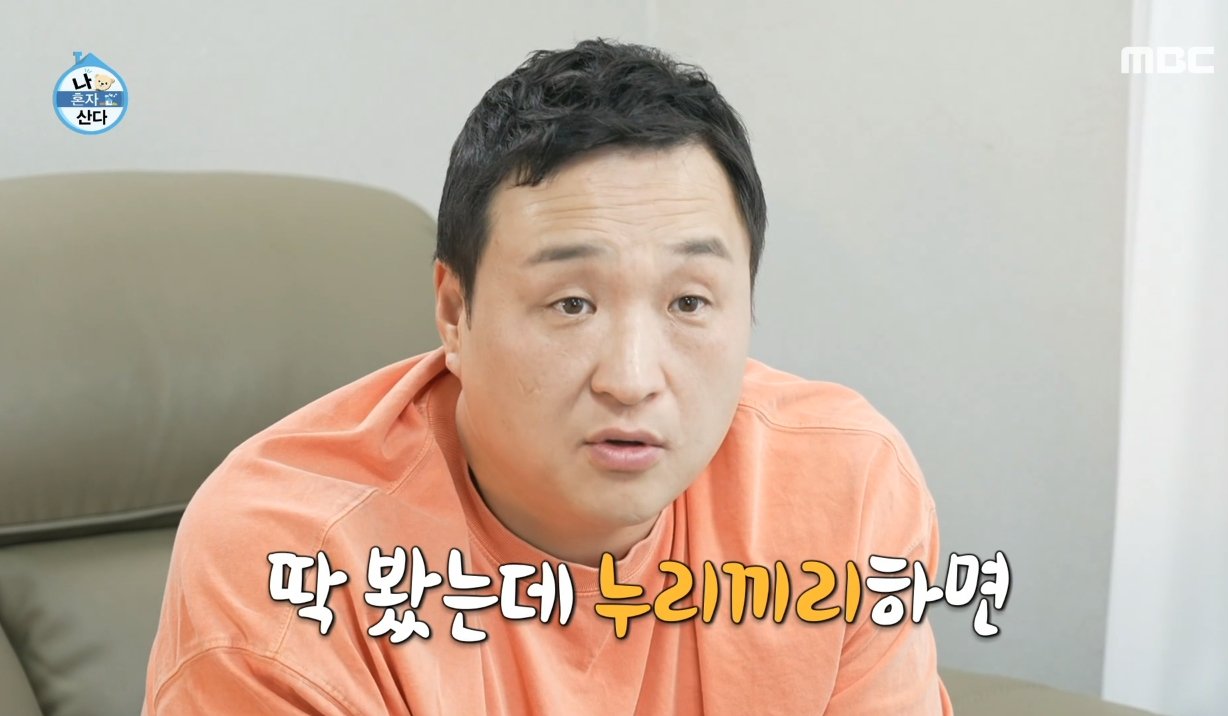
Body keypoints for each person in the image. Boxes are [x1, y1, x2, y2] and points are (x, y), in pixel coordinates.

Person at [143, 38, 953, 715]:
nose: (632, 380)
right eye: (571, 303)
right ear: (454, 311)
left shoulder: (844, 486)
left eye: (689, 301)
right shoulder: (291, 565)